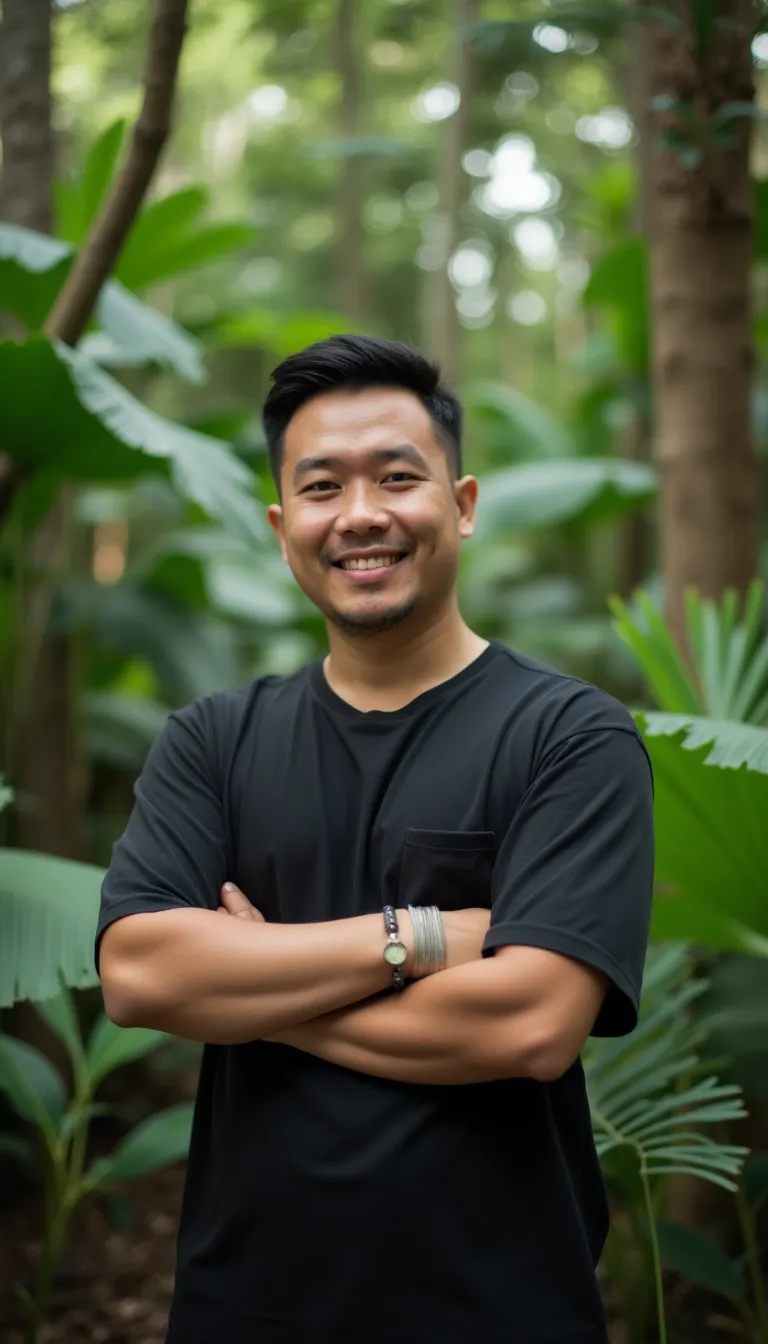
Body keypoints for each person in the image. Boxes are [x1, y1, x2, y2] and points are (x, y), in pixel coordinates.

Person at [95, 334, 654, 1344]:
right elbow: (140, 976)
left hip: (501, 1309)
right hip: (244, 1307)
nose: (360, 515)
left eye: (398, 477)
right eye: (321, 487)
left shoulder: (571, 737)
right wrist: (423, 938)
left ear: (464, 503)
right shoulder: (213, 742)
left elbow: (530, 1025)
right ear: (281, 525)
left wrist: (250, 994)